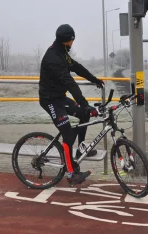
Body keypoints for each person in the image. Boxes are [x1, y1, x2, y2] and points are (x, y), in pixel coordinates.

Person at [39, 24, 105, 186]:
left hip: (60, 97)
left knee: (84, 113)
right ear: (67, 41)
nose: (73, 43)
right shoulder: (53, 57)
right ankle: (70, 173)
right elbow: (69, 82)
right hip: (50, 101)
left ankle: (80, 148)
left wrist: (94, 79)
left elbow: (76, 67)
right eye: (72, 40)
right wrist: (84, 102)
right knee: (68, 135)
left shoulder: (62, 53)